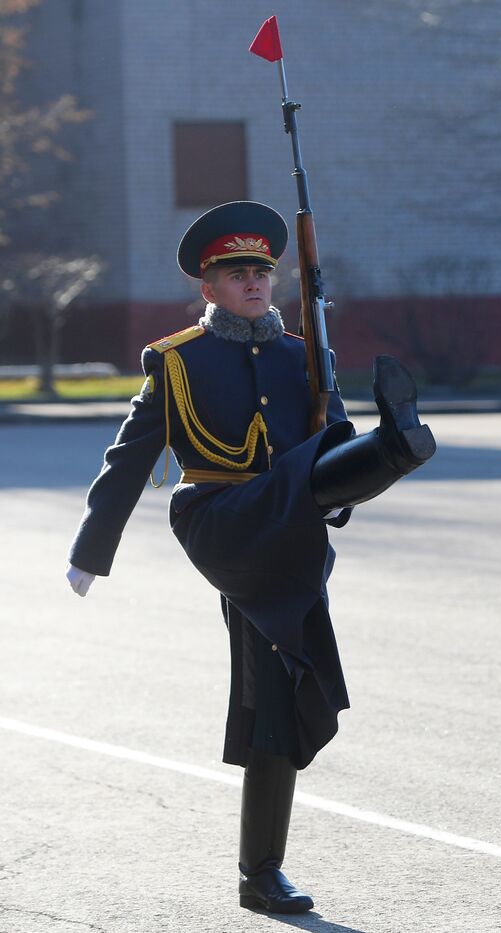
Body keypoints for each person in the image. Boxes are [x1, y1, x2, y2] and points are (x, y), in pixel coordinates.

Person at [64, 201, 436, 914]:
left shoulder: (303, 355)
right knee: (304, 483)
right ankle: (397, 449)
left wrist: (336, 486)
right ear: (208, 287)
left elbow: (325, 453)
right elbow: (128, 461)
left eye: (263, 270)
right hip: (223, 520)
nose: (255, 282)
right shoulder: (177, 362)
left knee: (288, 682)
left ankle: (262, 872)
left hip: (291, 526)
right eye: (238, 274)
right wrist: (92, 549)